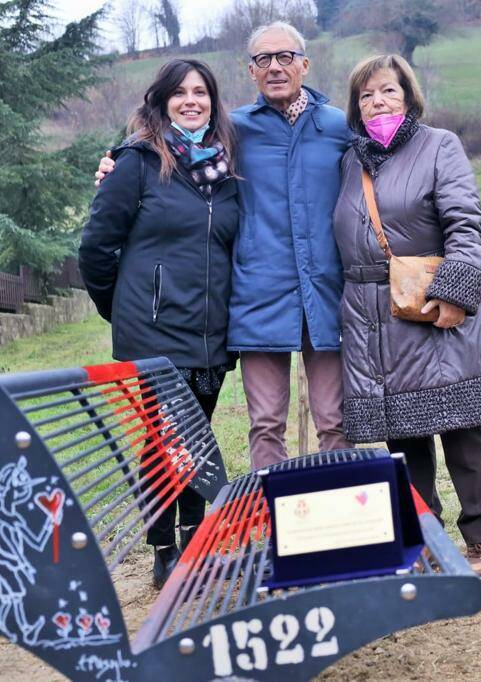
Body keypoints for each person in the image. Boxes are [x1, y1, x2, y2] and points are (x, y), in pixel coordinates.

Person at [96, 22, 353, 470]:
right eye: (263, 60)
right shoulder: (233, 131)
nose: (275, 67)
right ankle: (277, 520)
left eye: (285, 57)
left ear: (304, 64)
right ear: (250, 71)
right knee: (266, 422)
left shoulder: (338, 127)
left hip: (327, 293)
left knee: (334, 419)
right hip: (260, 295)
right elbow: (170, 144)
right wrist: (115, 160)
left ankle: (335, 524)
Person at [333, 54, 481, 579]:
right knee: (404, 441)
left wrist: (457, 290)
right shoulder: (351, 162)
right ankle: (424, 539)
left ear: (408, 97)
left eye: (387, 91)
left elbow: (465, 222)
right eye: (366, 96)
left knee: (462, 431)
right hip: (375, 321)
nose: (377, 102)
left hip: (432, 309)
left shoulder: (440, 145)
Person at [77, 60, 241, 588]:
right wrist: (123, 309)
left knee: (197, 440)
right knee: (163, 442)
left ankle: (195, 543)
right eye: (179, 93)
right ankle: (165, 550)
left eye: (201, 92)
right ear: (161, 100)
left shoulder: (227, 171)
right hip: (154, 333)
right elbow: (96, 247)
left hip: (211, 331)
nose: (191, 100)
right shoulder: (137, 162)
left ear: (214, 102)